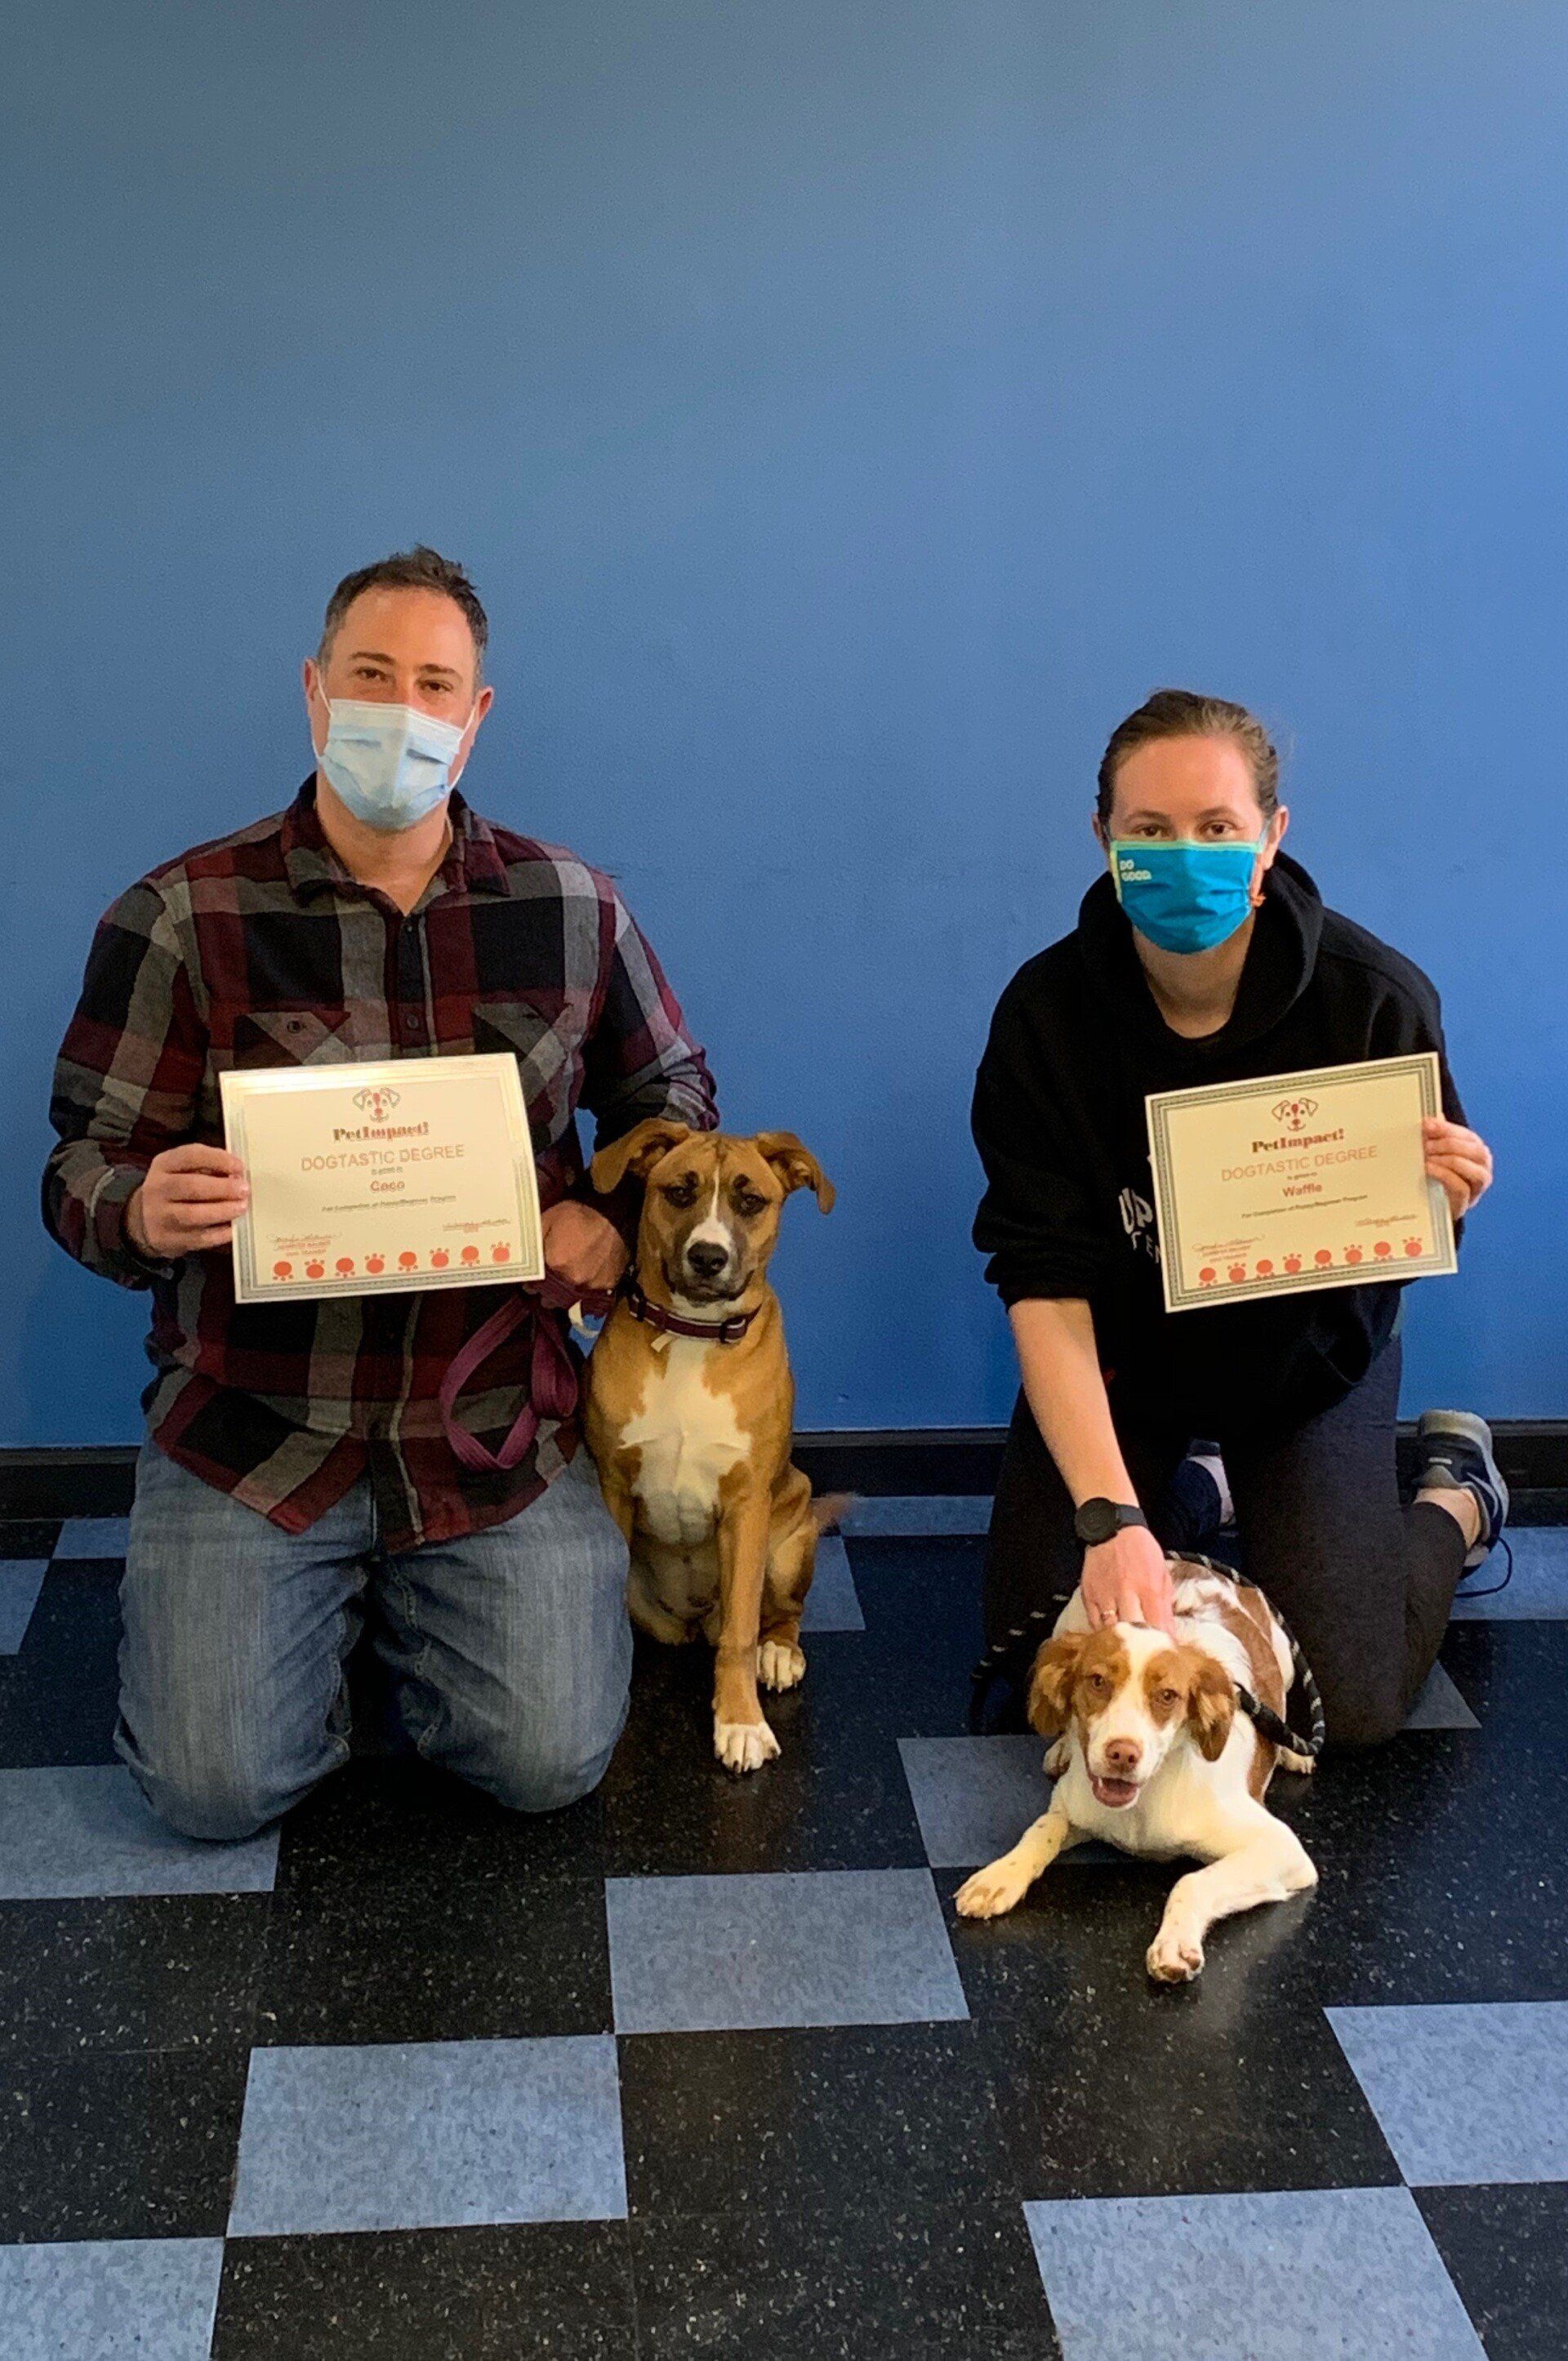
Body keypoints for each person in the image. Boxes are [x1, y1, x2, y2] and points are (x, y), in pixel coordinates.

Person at [45, 545, 715, 1838]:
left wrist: (616, 1223)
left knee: (548, 1763)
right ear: (313, 692)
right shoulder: (180, 915)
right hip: (256, 1426)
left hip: (490, 1425)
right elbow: (80, 1163)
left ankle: (378, 1623)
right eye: (368, 675)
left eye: (433, 685)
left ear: (476, 716)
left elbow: (673, 1094)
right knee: (210, 1790)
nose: (400, 711)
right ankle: (329, 1631)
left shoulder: (573, 907)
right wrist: (136, 1208)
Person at [971, 688, 1504, 1746]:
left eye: (1217, 829)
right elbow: (1042, 1279)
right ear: (1104, 838)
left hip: (1306, 1365)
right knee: (1047, 1674)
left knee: (1343, 1710)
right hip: (1123, 1369)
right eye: (1150, 830)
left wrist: (1442, 1203)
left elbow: (1399, 1239)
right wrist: (1108, 1516)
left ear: (1271, 837)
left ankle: (1459, 1500)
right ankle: (1189, 1500)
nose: (1185, 856)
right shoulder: (1045, 1018)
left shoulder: (1374, 999)